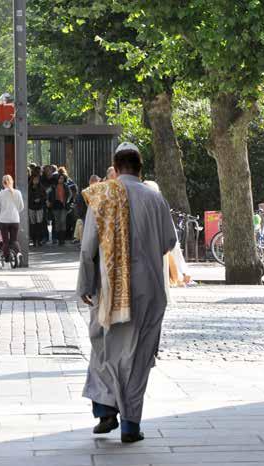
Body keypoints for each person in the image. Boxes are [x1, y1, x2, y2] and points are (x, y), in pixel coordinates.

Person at [78, 142, 177, 443]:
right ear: (140, 168)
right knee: (138, 356)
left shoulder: (102, 195)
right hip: (148, 288)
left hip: (109, 288)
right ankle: (130, 424)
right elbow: (169, 241)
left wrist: (85, 284)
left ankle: (105, 409)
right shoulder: (155, 197)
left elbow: (87, 248)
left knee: (104, 348)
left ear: (116, 167)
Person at [0, 175, 24, 260]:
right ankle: (18, 253)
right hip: (15, 220)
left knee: (5, 241)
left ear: (3, 183)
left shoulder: (0, 194)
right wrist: (15, 211)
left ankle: (7, 258)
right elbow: (21, 207)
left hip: (3, 221)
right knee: (14, 240)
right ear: (12, 182)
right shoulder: (18, 192)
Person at [48, 174, 72, 245]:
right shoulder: (53, 186)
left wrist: (67, 201)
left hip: (63, 206)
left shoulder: (66, 186)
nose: (61, 180)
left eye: (62, 178)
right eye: (59, 178)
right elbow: (48, 193)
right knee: (57, 222)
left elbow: (70, 194)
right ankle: (58, 239)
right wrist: (49, 201)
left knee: (62, 221)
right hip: (55, 205)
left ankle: (62, 239)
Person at [28, 174, 47, 247]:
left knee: (39, 224)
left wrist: (40, 200)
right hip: (31, 207)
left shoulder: (41, 187)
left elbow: (44, 196)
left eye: (37, 180)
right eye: (35, 180)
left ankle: (39, 240)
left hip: (39, 207)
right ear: (32, 180)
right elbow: (28, 197)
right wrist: (33, 200)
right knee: (33, 224)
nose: (36, 181)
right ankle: (33, 240)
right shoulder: (29, 188)